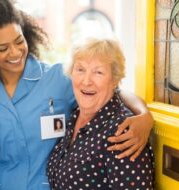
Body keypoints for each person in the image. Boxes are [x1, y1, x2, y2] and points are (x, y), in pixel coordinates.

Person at [0, 0, 153, 189]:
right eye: (2, 48)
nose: (14, 52)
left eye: (19, 41)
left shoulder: (58, 79)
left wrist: (145, 116)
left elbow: (110, 90)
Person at [47, 38, 154, 189]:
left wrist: (145, 115)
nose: (86, 81)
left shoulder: (122, 131)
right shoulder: (74, 116)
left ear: (115, 79)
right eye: (80, 69)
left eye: (98, 72)